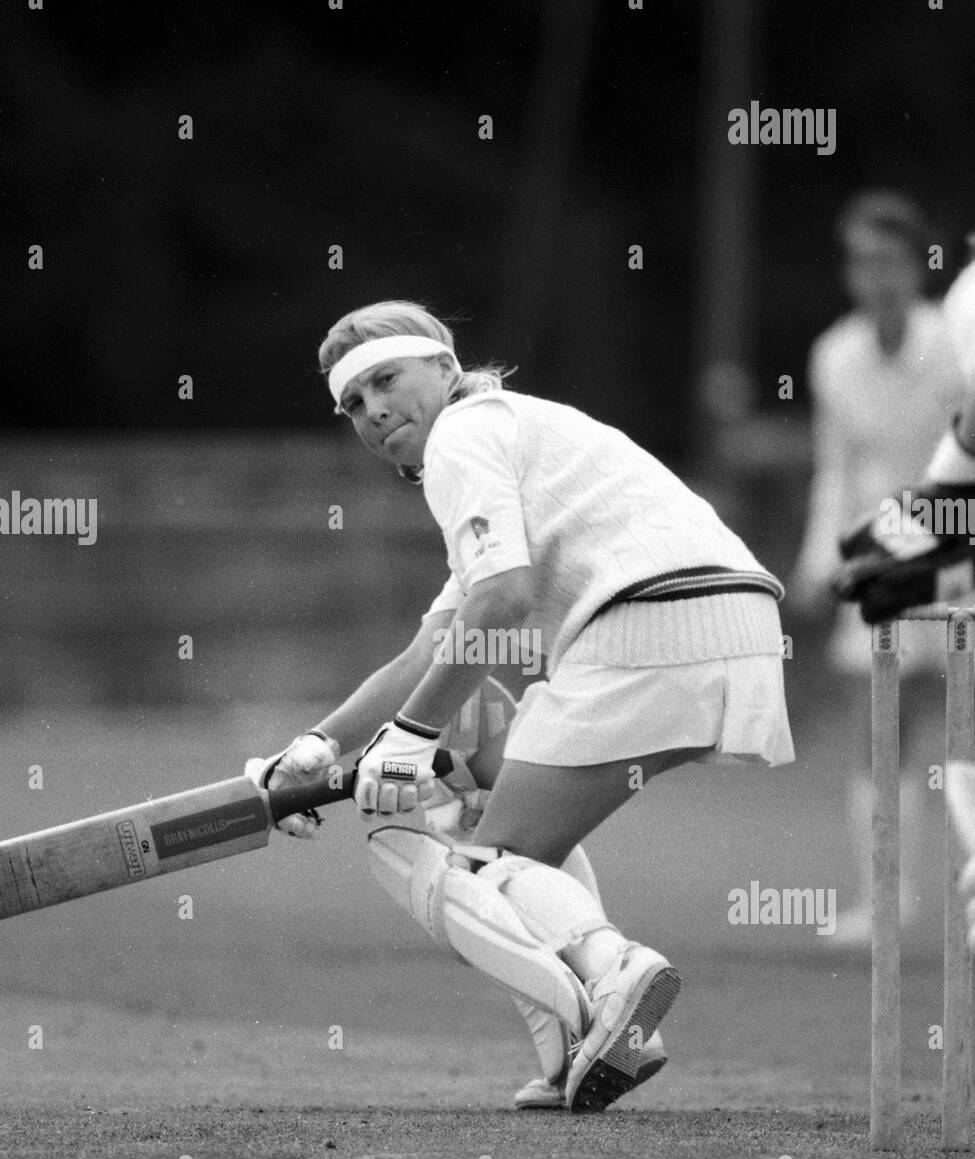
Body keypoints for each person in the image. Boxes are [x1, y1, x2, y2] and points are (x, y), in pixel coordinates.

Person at [249, 300, 794, 1112]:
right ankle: (581, 1041)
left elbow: (501, 601)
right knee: (493, 828)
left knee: (478, 866)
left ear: (442, 365)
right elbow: (435, 646)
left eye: (386, 381)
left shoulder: (462, 439)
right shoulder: (504, 437)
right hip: (728, 627)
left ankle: (614, 977)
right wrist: (315, 748)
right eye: (353, 403)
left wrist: (406, 741)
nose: (374, 412)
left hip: (652, 627)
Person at [791, 191, 967, 943]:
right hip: (879, 557)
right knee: (880, 733)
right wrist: (814, 558)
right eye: (861, 261)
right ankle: (884, 902)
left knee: (958, 731)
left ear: (916, 265)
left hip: (960, 551)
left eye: (889, 261)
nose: (875, 276)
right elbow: (835, 465)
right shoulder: (833, 354)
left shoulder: (955, 341)